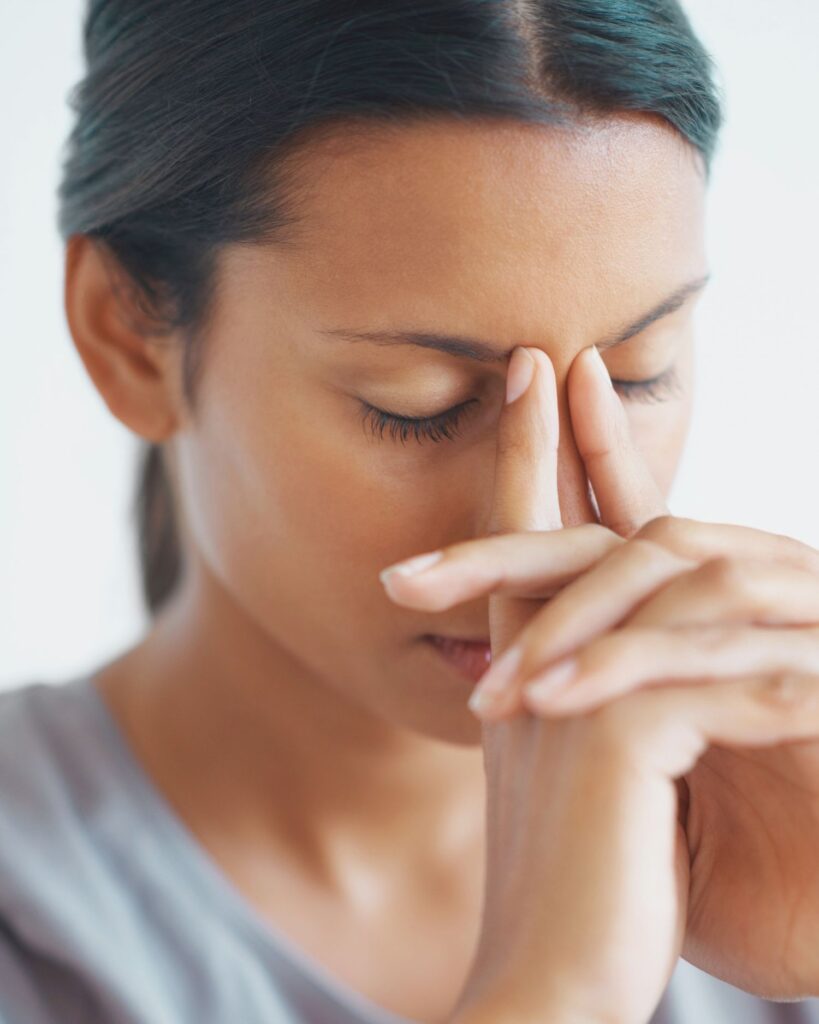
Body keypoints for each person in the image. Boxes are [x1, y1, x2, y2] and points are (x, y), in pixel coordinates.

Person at [2, 0, 819, 1021]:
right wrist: (556, 994)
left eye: (636, 375)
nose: (548, 524)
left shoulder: (786, 831)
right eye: (419, 407)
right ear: (127, 337)